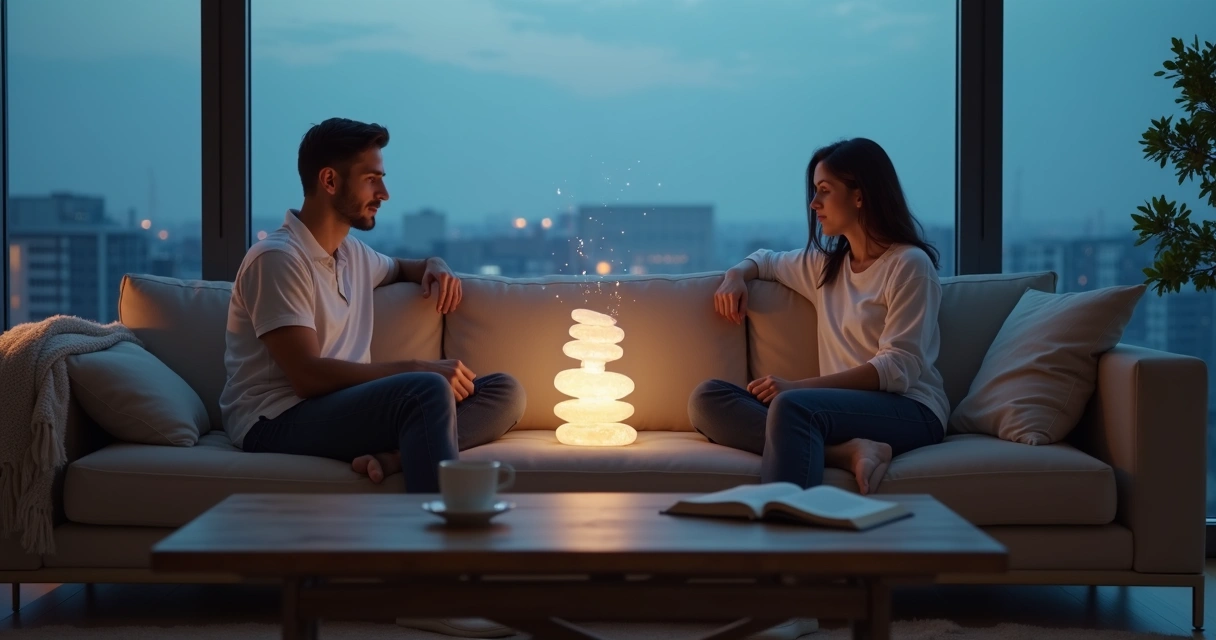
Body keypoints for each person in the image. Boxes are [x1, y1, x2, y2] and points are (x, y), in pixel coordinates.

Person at [219, 117, 527, 493]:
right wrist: (419, 368)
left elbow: (402, 267)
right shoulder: (278, 258)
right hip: (273, 419)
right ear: (329, 181)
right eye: (371, 179)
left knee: (504, 391)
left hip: (346, 409)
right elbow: (307, 377)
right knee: (426, 390)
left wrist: (435, 264)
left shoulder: (351, 254)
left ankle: (392, 458)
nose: (384, 193)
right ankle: (440, 539)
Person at [688, 137, 949, 495]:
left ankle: (785, 528)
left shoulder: (908, 265)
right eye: (814, 191)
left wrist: (797, 388)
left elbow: (898, 368)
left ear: (860, 196)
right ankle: (844, 453)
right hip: (835, 414)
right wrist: (735, 276)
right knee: (707, 399)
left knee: (792, 406)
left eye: (825, 191)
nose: (814, 203)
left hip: (911, 412)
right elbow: (765, 260)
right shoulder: (826, 267)